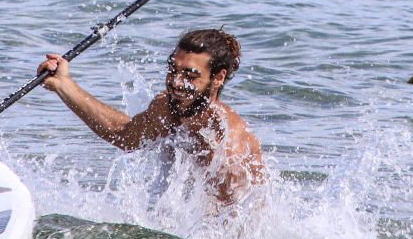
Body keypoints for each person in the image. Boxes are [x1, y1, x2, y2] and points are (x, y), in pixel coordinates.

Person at [38, 28, 264, 206]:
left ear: (218, 78)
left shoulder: (228, 142)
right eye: (173, 70)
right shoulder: (166, 108)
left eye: (190, 76)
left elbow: (234, 219)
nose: (176, 82)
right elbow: (124, 135)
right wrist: (63, 84)